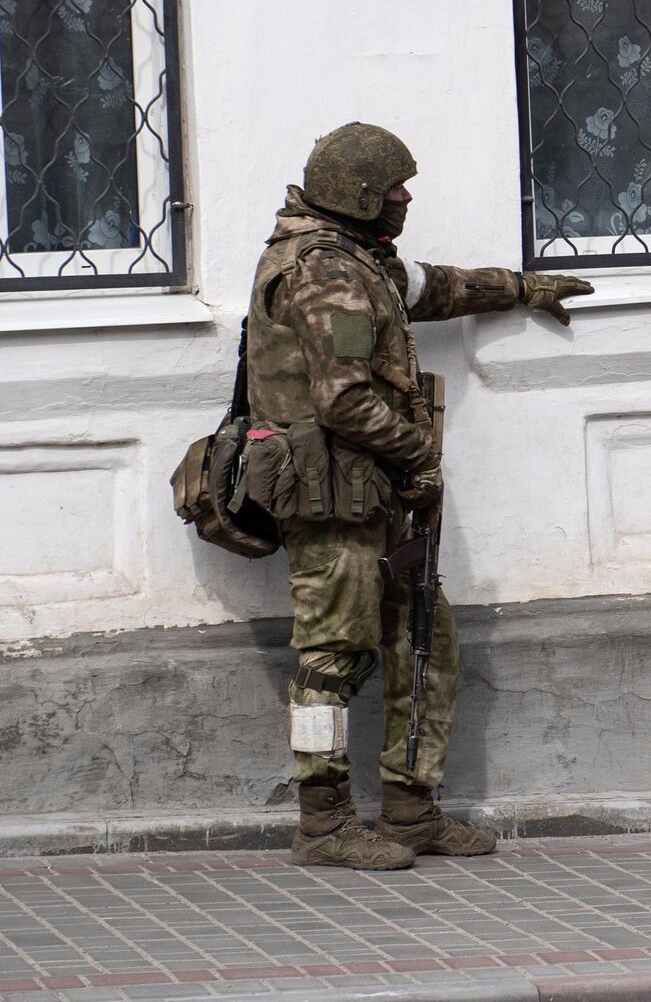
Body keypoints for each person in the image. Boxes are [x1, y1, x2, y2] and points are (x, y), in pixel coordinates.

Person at [245, 121, 593, 870]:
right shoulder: (323, 274)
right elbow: (342, 402)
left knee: (423, 645)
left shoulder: (358, 262)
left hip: (376, 495)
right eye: (393, 187)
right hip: (332, 500)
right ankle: (323, 823)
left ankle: (409, 810)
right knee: (330, 662)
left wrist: (522, 289)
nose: (405, 197)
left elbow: (431, 289)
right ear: (358, 194)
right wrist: (420, 455)